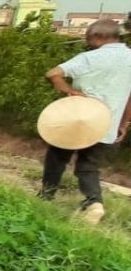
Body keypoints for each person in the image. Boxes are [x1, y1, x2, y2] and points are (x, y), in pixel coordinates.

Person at [40, 19, 131, 224]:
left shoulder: (90, 58)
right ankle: (94, 203)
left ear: (98, 37)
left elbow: (53, 74)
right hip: (105, 123)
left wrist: (70, 91)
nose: (87, 42)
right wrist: (124, 123)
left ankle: (46, 195)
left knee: (57, 156)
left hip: (76, 119)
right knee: (88, 167)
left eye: (89, 37)